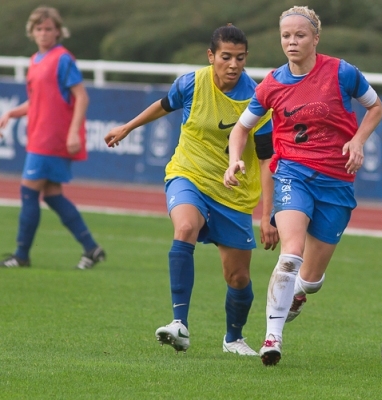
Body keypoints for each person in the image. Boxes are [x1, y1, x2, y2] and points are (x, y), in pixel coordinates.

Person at [224, 6, 382, 366]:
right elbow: (241, 128)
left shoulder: (343, 73)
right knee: (291, 252)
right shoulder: (272, 84)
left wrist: (357, 141)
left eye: (299, 35)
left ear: (315, 38)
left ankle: (296, 295)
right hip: (292, 174)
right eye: (285, 36)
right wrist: (235, 158)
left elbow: (375, 109)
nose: (292, 42)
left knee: (311, 279)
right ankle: (272, 337)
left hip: (337, 181)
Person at [104, 25, 279, 355]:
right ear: (211, 56)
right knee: (185, 227)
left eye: (240, 58)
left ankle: (234, 338)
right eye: (225, 57)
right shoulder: (191, 83)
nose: (233, 64)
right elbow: (163, 104)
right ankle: (179, 324)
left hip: (234, 194)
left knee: (238, 278)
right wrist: (127, 127)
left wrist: (268, 215)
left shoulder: (257, 100)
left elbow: (268, 160)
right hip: (189, 174)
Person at [0, 6, 105, 270]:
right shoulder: (34, 60)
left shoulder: (63, 59)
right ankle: (91, 248)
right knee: (51, 194)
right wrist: (12, 112)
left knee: (28, 192)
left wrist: (72, 131)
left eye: (49, 28)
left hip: (52, 136)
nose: (44, 33)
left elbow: (81, 96)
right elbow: (36, 102)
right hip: (38, 134)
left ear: (58, 32)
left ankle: (21, 255)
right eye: (39, 28)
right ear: (32, 32)